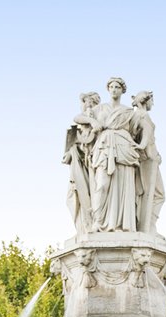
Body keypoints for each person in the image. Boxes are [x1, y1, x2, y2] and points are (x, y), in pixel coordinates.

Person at [88, 77, 139, 232]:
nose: (114, 89)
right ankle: (98, 221)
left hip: (123, 148)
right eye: (111, 86)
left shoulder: (129, 112)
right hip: (103, 147)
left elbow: (139, 131)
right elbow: (78, 117)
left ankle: (119, 224)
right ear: (108, 89)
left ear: (122, 90)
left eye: (117, 87)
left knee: (121, 185)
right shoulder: (100, 109)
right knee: (101, 185)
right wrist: (92, 122)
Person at [63, 92, 101, 233]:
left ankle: (91, 224)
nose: (86, 105)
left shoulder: (98, 123)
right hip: (79, 166)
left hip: (93, 166)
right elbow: (67, 156)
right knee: (73, 199)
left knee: (94, 193)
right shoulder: (78, 128)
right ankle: (83, 227)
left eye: (89, 102)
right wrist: (70, 152)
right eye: (84, 102)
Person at [131, 90, 164, 234]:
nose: (152, 104)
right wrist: (143, 147)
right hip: (148, 158)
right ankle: (148, 226)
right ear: (145, 100)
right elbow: (145, 135)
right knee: (154, 194)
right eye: (151, 101)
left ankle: (147, 225)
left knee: (146, 193)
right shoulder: (142, 115)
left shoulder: (137, 115)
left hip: (148, 156)